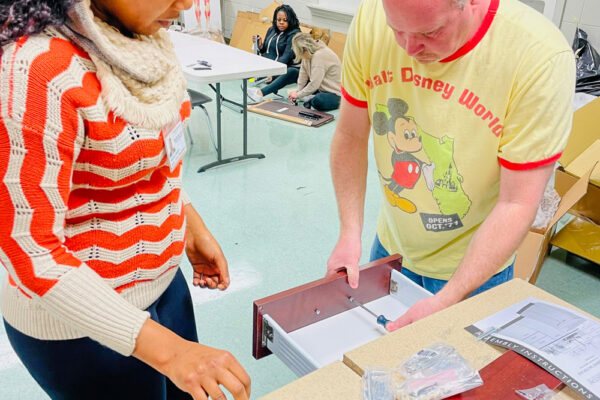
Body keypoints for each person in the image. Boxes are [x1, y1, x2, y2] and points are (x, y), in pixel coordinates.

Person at [0, 1, 251, 399]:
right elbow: (30, 249)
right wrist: (172, 353)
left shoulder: (143, 38)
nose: (186, 4)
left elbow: (152, 157)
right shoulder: (35, 68)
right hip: (79, 327)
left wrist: (189, 224)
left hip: (164, 289)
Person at [327, 0, 575, 331]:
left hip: (475, 269)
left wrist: (449, 298)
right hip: (392, 248)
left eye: (430, 32)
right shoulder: (372, 15)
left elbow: (517, 203)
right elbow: (350, 135)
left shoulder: (539, 57)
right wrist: (349, 234)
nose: (410, 48)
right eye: (396, 30)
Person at [247, 4, 301, 103]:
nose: (281, 23)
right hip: (271, 67)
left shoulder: (295, 34)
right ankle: (257, 80)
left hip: (286, 68)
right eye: (278, 20)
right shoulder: (272, 30)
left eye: (285, 20)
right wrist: (260, 46)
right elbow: (266, 51)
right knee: (249, 75)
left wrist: (273, 72)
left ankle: (259, 93)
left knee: (289, 72)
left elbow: (286, 57)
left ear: (291, 20)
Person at [288, 33, 342, 112]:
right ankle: (310, 97)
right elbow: (303, 75)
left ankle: (311, 98)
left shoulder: (319, 55)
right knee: (311, 96)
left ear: (304, 49)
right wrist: (298, 91)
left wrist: (298, 95)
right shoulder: (307, 54)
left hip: (336, 94)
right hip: (322, 90)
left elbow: (314, 84)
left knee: (317, 101)